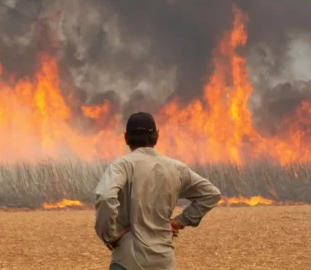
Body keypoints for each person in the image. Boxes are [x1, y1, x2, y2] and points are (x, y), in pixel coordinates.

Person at [94, 112, 222, 270]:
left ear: (126, 137)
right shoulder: (177, 168)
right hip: (164, 261)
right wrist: (179, 221)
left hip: (128, 260)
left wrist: (109, 235)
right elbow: (211, 194)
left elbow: (106, 197)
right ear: (156, 136)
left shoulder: (121, 166)